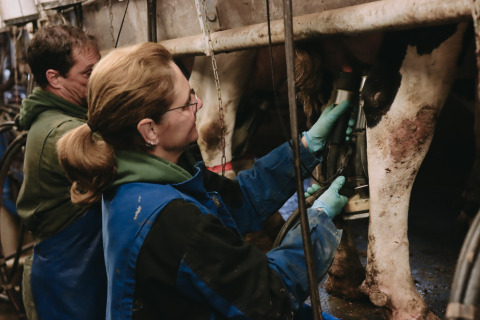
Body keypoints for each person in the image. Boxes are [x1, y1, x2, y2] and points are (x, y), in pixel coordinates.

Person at [57, 41, 350, 320]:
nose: (198, 104)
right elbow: (269, 298)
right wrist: (317, 222)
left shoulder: (143, 180)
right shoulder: (170, 219)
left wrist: (306, 146)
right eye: (185, 103)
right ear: (149, 131)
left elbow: (239, 200)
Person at [15, 24, 106, 320]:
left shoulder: (68, 116)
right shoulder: (63, 132)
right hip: (67, 281)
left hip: (72, 273)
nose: (98, 80)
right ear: (54, 78)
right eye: (89, 73)